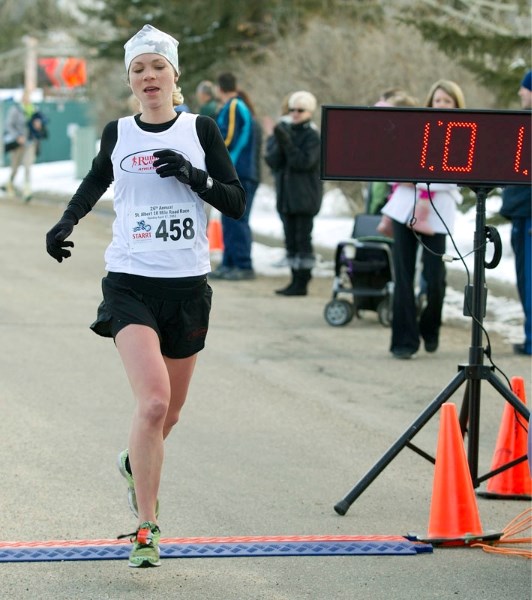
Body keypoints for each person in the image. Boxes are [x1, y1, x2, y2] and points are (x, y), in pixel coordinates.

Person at [45, 24, 245, 568]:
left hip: (186, 289)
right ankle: (147, 528)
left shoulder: (200, 129)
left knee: (169, 415)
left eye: (157, 67)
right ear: (131, 82)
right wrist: (65, 223)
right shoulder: (119, 133)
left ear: (174, 76)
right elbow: (93, 181)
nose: (148, 76)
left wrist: (193, 176)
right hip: (130, 283)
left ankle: (135, 464)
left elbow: (236, 202)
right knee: (152, 402)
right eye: (138, 69)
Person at [381, 79, 466, 358]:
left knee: (435, 278)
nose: (441, 106)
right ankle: (404, 341)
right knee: (404, 277)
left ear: (456, 105)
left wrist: (418, 181)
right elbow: (393, 171)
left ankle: (430, 327)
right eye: (437, 100)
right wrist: (413, 180)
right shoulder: (415, 130)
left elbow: (453, 180)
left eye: (447, 101)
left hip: (438, 215)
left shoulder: (463, 134)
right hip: (404, 211)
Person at [264, 90, 322, 296]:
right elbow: (273, 161)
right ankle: (294, 279)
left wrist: (285, 139)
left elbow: (303, 162)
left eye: (300, 110)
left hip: (305, 197)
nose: (295, 113)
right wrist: (278, 139)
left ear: (310, 112)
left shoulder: (312, 136)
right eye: (292, 110)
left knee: (302, 239)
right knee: (290, 239)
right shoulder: (286, 131)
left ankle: (302, 281)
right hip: (287, 196)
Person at [209, 72, 258, 280]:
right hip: (235, 172)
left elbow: (227, 138)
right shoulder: (234, 106)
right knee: (229, 218)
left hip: (241, 171)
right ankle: (229, 262)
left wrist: (211, 152)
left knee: (238, 218)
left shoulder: (234, 106)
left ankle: (243, 264)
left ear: (219, 89)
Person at [500, 69, 531, 356]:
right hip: (521, 214)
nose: (521, 93)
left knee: (530, 280)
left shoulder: (527, 128)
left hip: (528, 218)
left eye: (525, 88)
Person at [3, 90, 46, 202]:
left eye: (28, 97)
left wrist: (39, 126)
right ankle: (10, 184)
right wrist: (17, 136)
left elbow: (41, 124)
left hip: (30, 142)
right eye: (25, 97)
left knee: (28, 166)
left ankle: (27, 190)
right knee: (15, 167)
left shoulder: (34, 110)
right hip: (17, 144)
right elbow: (9, 125)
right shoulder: (15, 110)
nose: (27, 99)